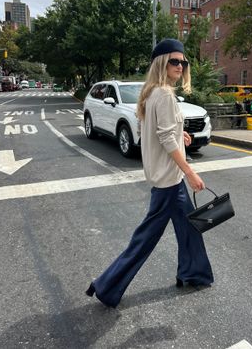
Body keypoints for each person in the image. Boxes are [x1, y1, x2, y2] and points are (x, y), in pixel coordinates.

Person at [85, 38, 213, 308]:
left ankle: (192, 273)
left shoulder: (151, 92)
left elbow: (156, 133)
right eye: (174, 61)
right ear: (161, 63)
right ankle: (106, 286)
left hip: (168, 180)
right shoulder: (164, 94)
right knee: (144, 241)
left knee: (190, 229)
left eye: (183, 61)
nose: (180, 65)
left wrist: (182, 135)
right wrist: (189, 171)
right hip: (169, 181)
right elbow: (164, 139)